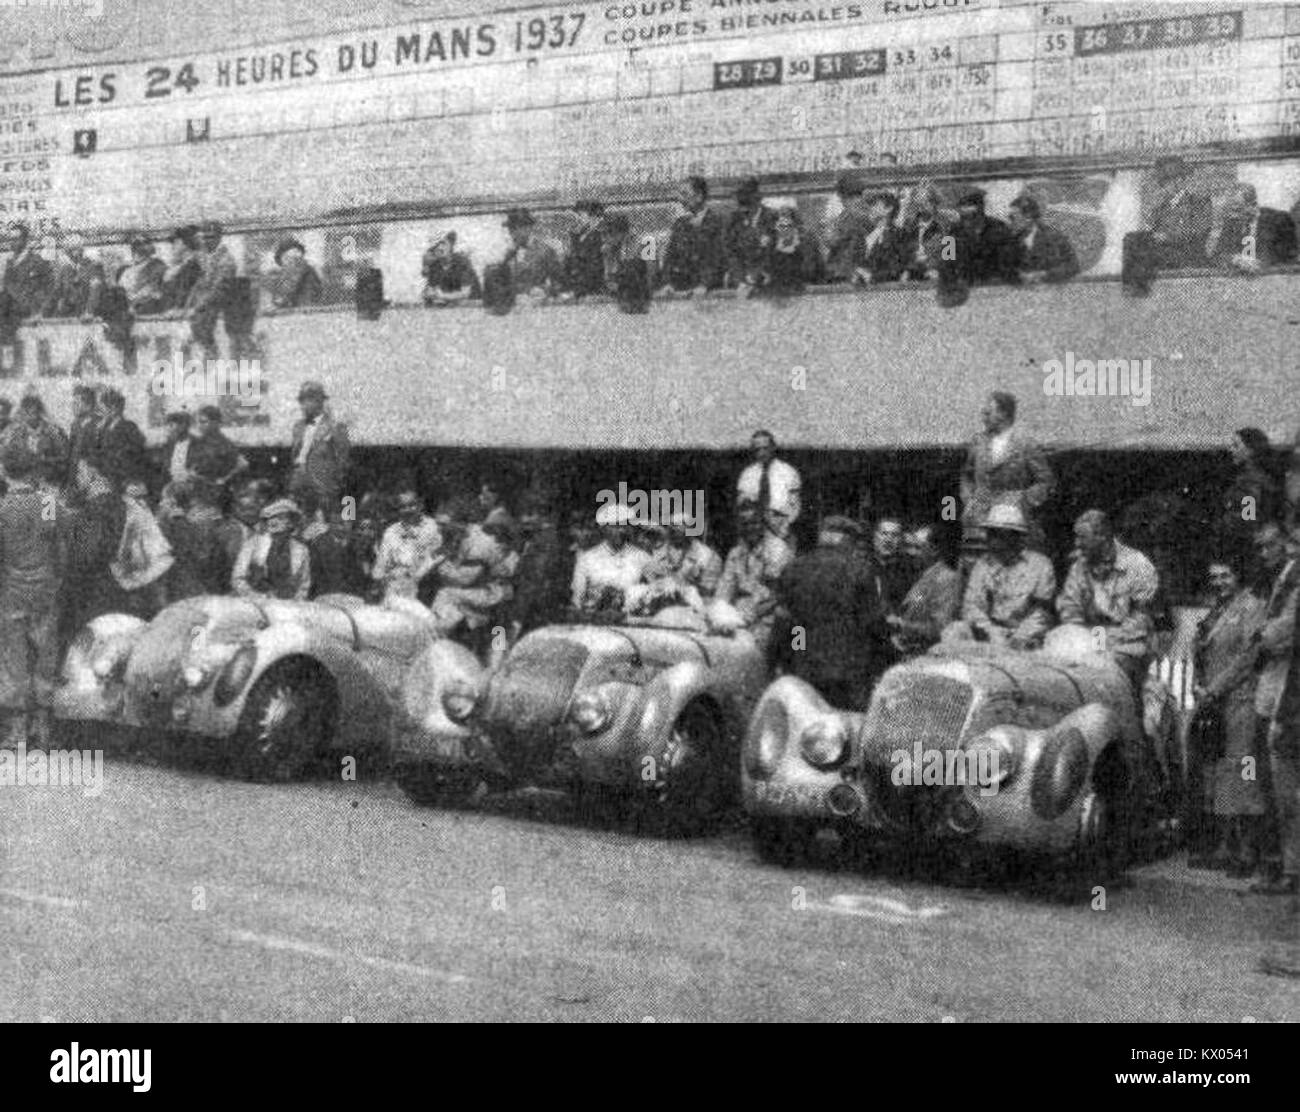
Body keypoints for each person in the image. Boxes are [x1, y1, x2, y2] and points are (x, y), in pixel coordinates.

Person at [1189, 552, 1267, 875]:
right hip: (1216, 702)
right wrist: (1200, 685)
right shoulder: (1216, 611)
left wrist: (1215, 688)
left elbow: (1249, 656)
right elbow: (1205, 652)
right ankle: (1224, 848)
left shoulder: (1251, 607)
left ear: (1239, 576)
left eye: (1226, 575)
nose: (1219, 582)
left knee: (1243, 771)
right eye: (1214, 577)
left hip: (1241, 699)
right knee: (1219, 773)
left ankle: (1248, 853)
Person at [773, 515, 889, 710]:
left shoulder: (793, 568)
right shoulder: (860, 571)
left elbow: (784, 623)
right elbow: (873, 624)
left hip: (803, 670)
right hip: (847, 676)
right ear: (848, 540)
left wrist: (779, 662)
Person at [1249, 522, 1300, 894]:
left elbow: (1280, 634)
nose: (1267, 554)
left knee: (1285, 789)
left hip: (1286, 695)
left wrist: (1264, 633)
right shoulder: (1281, 581)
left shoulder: (1293, 583)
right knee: (1269, 785)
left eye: (1273, 546)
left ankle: (1289, 869)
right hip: (1271, 692)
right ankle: (1279, 863)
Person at [0, 445, 62, 748]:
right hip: (46, 587)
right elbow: (59, 544)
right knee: (46, 654)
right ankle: (44, 726)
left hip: (13, 588)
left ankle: (17, 731)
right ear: (33, 471)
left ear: (6, 471)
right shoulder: (49, 501)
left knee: (15, 659)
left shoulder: (2, 508)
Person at [1055, 510, 1160, 684]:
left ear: (1103, 537)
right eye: (1076, 537)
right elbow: (1070, 610)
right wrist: (1081, 641)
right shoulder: (1078, 567)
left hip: (1129, 645)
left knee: (1105, 672)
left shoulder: (1138, 565)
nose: (1077, 544)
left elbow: (1139, 622)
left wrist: (1097, 644)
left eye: (1082, 538)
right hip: (1088, 641)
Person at [959, 390, 1055, 562]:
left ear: (1004, 414)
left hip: (1013, 521)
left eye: (988, 413)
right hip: (978, 521)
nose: (983, 417)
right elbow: (966, 474)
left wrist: (1023, 500)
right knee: (976, 566)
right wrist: (969, 499)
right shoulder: (977, 442)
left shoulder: (1026, 444)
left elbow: (1045, 480)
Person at [944, 503, 1056, 650]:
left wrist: (1020, 636)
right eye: (990, 532)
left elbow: (1042, 613)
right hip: (989, 633)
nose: (988, 538)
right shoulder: (983, 564)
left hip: (1028, 635)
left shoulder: (1040, 565)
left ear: (1014, 536)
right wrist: (991, 631)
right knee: (954, 630)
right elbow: (971, 605)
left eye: (996, 533)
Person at [1121, 156, 1212, 295]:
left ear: (1181, 181)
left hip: (1187, 255)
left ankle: (1138, 287)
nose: (1164, 187)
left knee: (1144, 248)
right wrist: (1149, 231)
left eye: (1168, 182)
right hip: (1164, 255)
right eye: (1162, 183)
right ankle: (1131, 286)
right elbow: (1151, 232)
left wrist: (1167, 237)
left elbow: (1200, 231)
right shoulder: (1161, 208)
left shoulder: (1198, 203)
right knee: (1131, 238)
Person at [429, 507, 520, 637]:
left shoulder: (480, 543)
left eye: (443, 525)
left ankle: (438, 637)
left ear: (460, 523)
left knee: (445, 595)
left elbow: (466, 579)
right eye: (437, 524)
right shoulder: (460, 535)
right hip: (482, 589)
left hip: (494, 593)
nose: (438, 528)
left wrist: (444, 571)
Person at [715, 504, 795, 648]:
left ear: (763, 524)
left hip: (768, 619)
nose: (749, 528)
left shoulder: (778, 550)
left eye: (754, 523)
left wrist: (747, 615)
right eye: (745, 524)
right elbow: (725, 588)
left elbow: (776, 595)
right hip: (739, 619)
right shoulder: (736, 553)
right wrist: (720, 612)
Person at [888, 524, 961, 656]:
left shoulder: (946, 579)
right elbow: (914, 607)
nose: (910, 553)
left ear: (934, 550)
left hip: (928, 657)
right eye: (908, 547)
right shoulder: (923, 576)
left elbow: (941, 628)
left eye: (917, 547)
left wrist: (902, 625)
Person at [571, 502, 652, 615]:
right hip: (595, 621)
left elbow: (657, 588)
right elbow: (577, 599)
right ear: (604, 528)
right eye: (614, 526)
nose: (620, 531)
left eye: (624, 526)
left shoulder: (641, 557)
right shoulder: (587, 558)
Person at [109, 480, 175, 618]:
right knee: (145, 590)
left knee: (155, 589)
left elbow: (151, 527)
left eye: (143, 495)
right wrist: (123, 558)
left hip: (152, 552)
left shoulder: (142, 506)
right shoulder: (131, 512)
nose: (142, 499)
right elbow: (127, 539)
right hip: (141, 556)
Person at [509, 492, 570, 636]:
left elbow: (538, 575)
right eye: (522, 515)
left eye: (530, 514)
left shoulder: (546, 542)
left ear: (544, 517)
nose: (524, 519)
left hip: (530, 609)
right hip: (522, 607)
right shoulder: (530, 539)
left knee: (506, 645)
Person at [289, 380, 350, 519]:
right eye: (302, 400)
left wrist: (332, 483)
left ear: (320, 401)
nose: (304, 405)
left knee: (326, 520)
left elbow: (343, 460)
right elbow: (295, 455)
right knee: (299, 519)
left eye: (310, 399)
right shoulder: (298, 427)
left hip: (323, 482)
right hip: (299, 481)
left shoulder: (335, 427)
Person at [371, 486, 442, 602]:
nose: (408, 510)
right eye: (403, 507)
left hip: (423, 582)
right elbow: (382, 562)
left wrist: (414, 576)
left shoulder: (432, 527)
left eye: (412, 505)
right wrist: (379, 580)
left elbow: (436, 557)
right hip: (394, 583)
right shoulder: (391, 531)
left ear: (420, 505)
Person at [232, 499, 311, 601]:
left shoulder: (301, 550)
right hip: (255, 604)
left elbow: (304, 585)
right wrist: (256, 597)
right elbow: (238, 578)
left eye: (280, 518)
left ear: (291, 523)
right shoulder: (253, 545)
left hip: (288, 606)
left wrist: (295, 602)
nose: (273, 521)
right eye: (269, 518)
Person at [1207, 183, 1297, 272]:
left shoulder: (1279, 220)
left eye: (1237, 209)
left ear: (1253, 205)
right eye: (1229, 210)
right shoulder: (1232, 222)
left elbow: (1290, 256)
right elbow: (1217, 256)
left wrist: (1257, 262)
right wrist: (1235, 260)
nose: (1233, 215)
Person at [661, 176, 726, 295]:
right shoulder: (679, 224)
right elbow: (669, 258)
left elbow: (718, 259)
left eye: (684, 194)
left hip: (709, 292)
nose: (680, 199)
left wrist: (705, 285)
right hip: (680, 290)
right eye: (680, 194)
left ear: (699, 196)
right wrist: (667, 283)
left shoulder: (718, 223)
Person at [736, 429, 801, 542]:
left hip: (781, 527)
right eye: (757, 449)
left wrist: (785, 525)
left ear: (773, 447)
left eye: (765, 448)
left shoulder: (788, 472)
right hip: (754, 530)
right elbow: (741, 505)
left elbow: (795, 505)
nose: (762, 453)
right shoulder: (747, 474)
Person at [1221, 427, 1283, 545]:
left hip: (1248, 543)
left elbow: (1247, 518)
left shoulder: (1249, 481)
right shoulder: (1262, 477)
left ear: (1250, 450)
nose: (1231, 450)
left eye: (1236, 445)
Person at [0, 222, 54, 345]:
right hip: (11, 306)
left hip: (28, 307)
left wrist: (40, 310)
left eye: (16, 239)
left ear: (25, 240)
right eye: (10, 239)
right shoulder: (9, 263)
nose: (12, 242)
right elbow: (6, 287)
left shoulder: (37, 260)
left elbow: (50, 286)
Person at [1008, 193, 1080, 283]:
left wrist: (1045, 274)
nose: (1010, 222)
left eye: (1012, 217)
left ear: (1028, 217)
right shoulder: (1009, 240)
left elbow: (1073, 266)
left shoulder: (1054, 238)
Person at [725, 177, 776, 293]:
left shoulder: (772, 218)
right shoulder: (733, 220)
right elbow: (729, 251)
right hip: (740, 283)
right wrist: (741, 278)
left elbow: (774, 251)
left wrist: (756, 275)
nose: (744, 208)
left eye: (747, 197)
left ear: (757, 197)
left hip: (766, 282)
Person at [2, 394, 69, 482]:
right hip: (22, 481)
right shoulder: (16, 433)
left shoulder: (53, 432)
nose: (28, 416)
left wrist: (46, 460)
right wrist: (21, 462)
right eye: (25, 412)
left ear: (39, 413)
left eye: (32, 412)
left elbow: (65, 457)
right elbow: (6, 458)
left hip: (49, 481)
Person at [500, 209, 562, 301]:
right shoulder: (509, 254)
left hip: (538, 303)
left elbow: (559, 285)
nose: (512, 234)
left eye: (516, 228)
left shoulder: (545, 250)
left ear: (528, 228)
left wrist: (545, 291)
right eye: (511, 229)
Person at [94, 387, 148, 489]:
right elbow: (98, 448)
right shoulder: (105, 426)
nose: (102, 412)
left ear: (114, 408)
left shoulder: (129, 426)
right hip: (107, 473)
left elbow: (138, 450)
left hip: (122, 474)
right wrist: (99, 431)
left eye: (103, 408)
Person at [823, 173, 873, 283]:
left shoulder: (853, 217)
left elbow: (832, 241)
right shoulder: (844, 217)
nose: (857, 200)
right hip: (845, 271)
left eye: (857, 196)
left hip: (850, 272)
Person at [45, 232, 105, 318]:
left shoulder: (93, 267)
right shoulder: (65, 269)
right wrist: (44, 313)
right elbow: (56, 290)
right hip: (68, 313)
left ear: (81, 250)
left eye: (76, 250)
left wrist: (89, 311)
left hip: (89, 314)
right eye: (69, 251)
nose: (74, 254)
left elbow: (95, 288)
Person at [187, 405, 248, 489]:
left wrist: (224, 480)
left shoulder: (225, 444)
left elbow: (242, 465)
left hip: (215, 489)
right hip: (195, 486)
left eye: (203, 422)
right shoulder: (197, 442)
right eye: (197, 422)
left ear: (216, 423)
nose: (199, 426)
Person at [600, 213, 652, 313]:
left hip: (639, 294)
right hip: (626, 295)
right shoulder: (615, 247)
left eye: (609, 234)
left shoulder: (644, 242)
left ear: (618, 233)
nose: (605, 239)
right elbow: (609, 276)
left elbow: (650, 270)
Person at [854, 192, 910, 285]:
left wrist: (871, 276)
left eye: (875, 205)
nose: (870, 208)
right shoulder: (866, 234)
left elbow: (898, 270)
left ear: (888, 209)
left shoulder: (899, 234)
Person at [563, 200, 607, 299]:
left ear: (594, 216)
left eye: (580, 215)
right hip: (580, 285)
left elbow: (595, 264)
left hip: (594, 286)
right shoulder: (579, 234)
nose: (576, 218)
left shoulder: (601, 234)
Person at [421, 232, 480, 305]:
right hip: (450, 305)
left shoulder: (462, 262)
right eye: (436, 245)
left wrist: (443, 296)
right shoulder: (435, 266)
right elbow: (431, 289)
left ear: (451, 246)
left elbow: (465, 293)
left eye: (443, 244)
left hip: (472, 304)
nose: (439, 248)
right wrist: (428, 293)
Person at [870, 515, 911, 617]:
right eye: (884, 533)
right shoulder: (863, 565)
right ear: (875, 537)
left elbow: (917, 598)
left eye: (894, 535)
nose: (888, 539)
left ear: (901, 540)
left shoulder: (909, 571)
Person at [267, 237, 322, 310]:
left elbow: (285, 292)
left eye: (288, 258)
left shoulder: (299, 267)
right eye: (285, 259)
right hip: (299, 309)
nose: (286, 263)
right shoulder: (286, 272)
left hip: (304, 310)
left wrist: (277, 303)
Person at [117, 236, 168, 315]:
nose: (136, 253)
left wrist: (135, 300)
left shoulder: (156, 265)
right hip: (126, 302)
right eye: (135, 249)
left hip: (143, 304)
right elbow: (120, 288)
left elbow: (153, 288)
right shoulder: (126, 269)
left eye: (141, 247)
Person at [161, 226, 203, 311]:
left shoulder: (190, 265)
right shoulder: (175, 267)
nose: (172, 248)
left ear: (184, 244)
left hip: (185, 307)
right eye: (172, 244)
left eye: (175, 243)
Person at [68, 384, 102, 484]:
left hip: (93, 475)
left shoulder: (99, 422)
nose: (73, 406)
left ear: (88, 404)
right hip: (76, 474)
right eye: (73, 403)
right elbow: (71, 450)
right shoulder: (76, 423)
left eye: (76, 403)